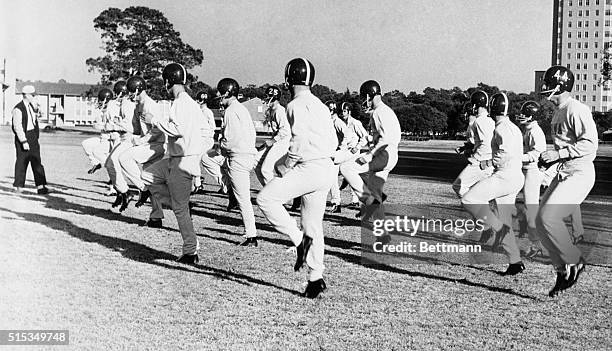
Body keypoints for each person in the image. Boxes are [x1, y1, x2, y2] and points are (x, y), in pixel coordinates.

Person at [257, 58, 337, 298]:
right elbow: (333, 141)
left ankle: (299, 241)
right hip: (325, 169)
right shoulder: (320, 105)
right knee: (313, 225)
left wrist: (286, 163)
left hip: (309, 167)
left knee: (265, 199)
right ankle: (315, 278)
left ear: (288, 78)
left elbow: (299, 141)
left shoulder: (294, 105)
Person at [536, 65, 598, 297]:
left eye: (548, 84)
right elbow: (566, 148)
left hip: (580, 172)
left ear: (560, 86)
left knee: (548, 217)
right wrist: (551, 162)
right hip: (564, 171)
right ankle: (563, 271)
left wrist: (558, 155)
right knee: (540, 222)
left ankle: (575, 261)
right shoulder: (558, 111)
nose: (544, 88)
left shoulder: (576, 109)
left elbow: (590, 144)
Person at [141, 62, 206, 264]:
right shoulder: (189, 103)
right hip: (177, 158)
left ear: (168, 81)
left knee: (179, 209)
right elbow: (205, 133)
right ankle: (180, 204)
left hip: (182, 161)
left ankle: (190, 251)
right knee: (146, 175)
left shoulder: (181, 103)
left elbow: (176, 129)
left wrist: (153, 120)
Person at [461, 92, 525, 276]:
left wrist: (488, 162)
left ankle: (495, 228)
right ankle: (515, 262)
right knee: (505, 218)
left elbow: (504, 153)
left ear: (492, 108)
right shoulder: (512, 127)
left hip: (505, 176)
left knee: (469, 199)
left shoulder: (501, 128)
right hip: (514, 176)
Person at [339, 80, 401, 243]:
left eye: (363, 97)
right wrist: (369, 141)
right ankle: (382, 235)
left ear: (368, 95)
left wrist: (370, 154)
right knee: (376, 193)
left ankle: (368, 201)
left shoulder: (379, 112)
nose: (363, 101)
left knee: (346, 168)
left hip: (384, 153)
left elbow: (385, 139)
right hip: (391, 154)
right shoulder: (385, 111)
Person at [215, 78, 258, 247]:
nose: (218, 95)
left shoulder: (231, 111)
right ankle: (228, 190)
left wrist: (221, 146)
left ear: (226, 92)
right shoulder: (241, 108)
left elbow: (230, 141)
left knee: (243, 199)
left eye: (220, 92)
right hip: (246, 155)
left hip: (238, 157)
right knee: (211, 160)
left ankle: (251, 235)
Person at [119, 75, 166, 227]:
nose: (130, 94)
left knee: (124, 158)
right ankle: (156, 218)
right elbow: (137, 129)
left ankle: (143, 189)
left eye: (132, 91)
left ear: (138, 89)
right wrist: (119, 125)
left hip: (156, 145)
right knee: (152, 181)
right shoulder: (138, 106)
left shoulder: (150, 105)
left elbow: (157, 130)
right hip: (149, 145)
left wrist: (140, 141)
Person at [515, 101, 546, 259]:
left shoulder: (535, 131)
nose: (522, 116)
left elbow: (536, 155)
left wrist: (517, 158)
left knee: (530, 209)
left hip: (532, 172)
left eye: (525, 113)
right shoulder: (527, 129)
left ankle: (537, 244)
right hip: (526, 170)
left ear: (533, 116)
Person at [452, 91, 495, 200]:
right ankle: (484, 212)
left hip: (481, 161)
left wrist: (475, 157)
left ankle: (483, 212)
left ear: (475, 105)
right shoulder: (490, 120)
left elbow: (484, 142)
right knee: (481, 192)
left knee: (459, 186)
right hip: (488, 161)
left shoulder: (479, 121)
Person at [105, 80, 137, 211]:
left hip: (130, 139)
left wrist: (112, 126)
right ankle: (122, 191)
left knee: (116, 162)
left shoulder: (127, 104)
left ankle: (134, 190)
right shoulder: (121, 104)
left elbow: (129, 126)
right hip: (124, 138)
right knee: (109, 163)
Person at [11, 85, 48, 194]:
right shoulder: (18, 108)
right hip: (23, 137)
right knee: (21, 162)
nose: (34, 96)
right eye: (32, 95)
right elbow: (17, 127)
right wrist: (23, 141)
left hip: (33, 137)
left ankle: (41, 187)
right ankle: (19, 187)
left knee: (37, 162)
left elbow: (34, 121)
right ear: (26, 95)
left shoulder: (32, 106)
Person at [254, 86, 291, 186]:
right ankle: (267, 191)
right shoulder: (271, 110)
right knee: (255, 162)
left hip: (283, 142)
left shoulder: (280, 111)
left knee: (266, 170)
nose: (266, 100)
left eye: (268, 97)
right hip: (276, 140)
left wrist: (273, 141)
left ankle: (274, 196)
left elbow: (285, 130)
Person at [339, 102, 370, 208]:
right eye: (341, 111)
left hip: (353, 152)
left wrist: (357, 147)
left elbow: (365, 136)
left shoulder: (355, 123)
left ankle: (355, 200)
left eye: (344, 111)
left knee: (351, 174)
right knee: (347, 175)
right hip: (345, 152)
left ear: (349, 112)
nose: (342, 113)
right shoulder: (342, 123)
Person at [327, 100, 355, 213]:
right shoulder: (331, 121)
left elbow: (348, 134)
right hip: (334, 153)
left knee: (332, 179)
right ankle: (336, 203)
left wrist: (341, 147)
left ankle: (336, 203)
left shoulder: (337, 122)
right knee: (332, 179)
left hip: (337, 154)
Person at [196, 90, 226, 194]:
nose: (200, 102)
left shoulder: (207, 111)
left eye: (202, 101)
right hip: (200, 138)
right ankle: (224, 183)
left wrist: (209, 137)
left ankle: (198, 183)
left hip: (206, 139)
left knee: (199, 158)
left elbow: (212, 127)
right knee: (198, 159)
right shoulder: (198, 111)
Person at [81, 88, 114, 175]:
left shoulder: (112, 111)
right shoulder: (101, 111)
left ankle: (113, 171)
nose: (99, 102)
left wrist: (101, 126)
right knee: (86, 143)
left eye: (101, 100)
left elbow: (112, 126)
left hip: (110, 140)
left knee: (97, 151)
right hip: (103, 138)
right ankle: (96, 163)